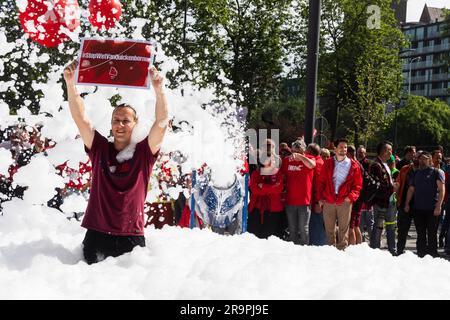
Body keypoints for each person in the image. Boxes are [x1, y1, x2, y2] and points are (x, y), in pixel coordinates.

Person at [63, 60, 168, 264]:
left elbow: (162, 123)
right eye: (115, 120)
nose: (120, 125)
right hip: (97, 234)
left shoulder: (144, 153)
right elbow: (81, 119)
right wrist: (70, 84)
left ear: (135, 124)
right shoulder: (101, 149)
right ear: (110, 125)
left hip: (131, 236)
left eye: (125, 121)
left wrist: (159, 90)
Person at [314, 138, 362, 250]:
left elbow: (358, 185)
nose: (343, 149)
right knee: (329, 230)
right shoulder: (328, 163)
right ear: (335, 149)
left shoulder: (354, 165)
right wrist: (320, 198)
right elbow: (321, 182)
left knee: (343, 230)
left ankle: (342, 252)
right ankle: (331, 252)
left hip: (344, 201)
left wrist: (350, 197)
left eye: (345, 147)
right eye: (341, 147)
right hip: (328, 200)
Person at [404, 151, 445, 258]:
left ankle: (433, 254)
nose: (422, 160)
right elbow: (411, 189)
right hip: (418, 209)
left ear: (430, 160)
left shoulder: (437, 172)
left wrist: (438, 206)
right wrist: (407, 204)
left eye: (425, 158)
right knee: (420, 234)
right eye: (420, 159)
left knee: (432, 233)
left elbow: (441, 190)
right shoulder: (416, 173)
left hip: (432, 209)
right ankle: (421, 254)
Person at [281, 138, 316, 245]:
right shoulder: (287, 160)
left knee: (303, 228)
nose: (295, 154)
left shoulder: (309, 158)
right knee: (292, 229)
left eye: (298, 152)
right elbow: (282, 176)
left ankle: (304, 250)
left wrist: (300, 157)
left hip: (304, 201)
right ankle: (293, 251)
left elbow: (312, 165)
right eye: (293, 151)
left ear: (303, 151)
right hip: (290, 200)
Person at [369, 141, 396, 255]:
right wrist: (392, 188)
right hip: (381, 202)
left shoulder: (385, 164)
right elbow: (377, 185)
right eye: (389, 150)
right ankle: (375, 249)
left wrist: (392, 186)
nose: (391, 152)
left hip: (389, 201)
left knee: (391, 225)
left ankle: (392, 249)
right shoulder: (376, 165)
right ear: (384, 151)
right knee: (378, 226)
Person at [248, 155, 284, 239]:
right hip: (256, 208)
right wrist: (270, 190)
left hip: (273, 209)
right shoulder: (256, 173)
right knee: (254, 235)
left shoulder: (277, 173)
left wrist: (263, 186)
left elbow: (279, 189)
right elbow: (254, 190)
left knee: (269, 236)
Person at [396, 150, 422, 255]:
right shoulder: (405, 169)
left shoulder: (426, 170)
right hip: (404, 205)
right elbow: (398, 182)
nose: (417, 158)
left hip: (420, 205)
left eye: (419, 157)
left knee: (421, 231)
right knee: (402, 230)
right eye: (416, 156)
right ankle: (399, 251)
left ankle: (420, 252)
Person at [307, 143, 326, 246]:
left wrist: (318, 202)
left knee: (316, 226)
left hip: (316, 201)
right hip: (316, 199)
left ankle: (317, 247)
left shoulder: (318, 164)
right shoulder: (320, 162)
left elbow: (319, 185)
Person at [356, 145, 374, 242]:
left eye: (362, 152)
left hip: (367, 198)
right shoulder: (355, 162)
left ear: (365, 153)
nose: (360, 153)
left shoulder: (369, 164)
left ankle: (372, 242)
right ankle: (361, 242)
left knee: (369, 222)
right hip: (358, 196)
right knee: (359, 223)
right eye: (359, 152)